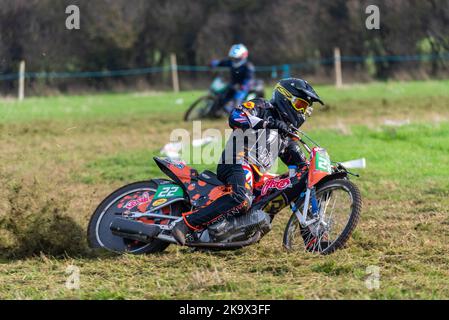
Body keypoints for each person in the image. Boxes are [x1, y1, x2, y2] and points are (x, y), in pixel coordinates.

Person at [172, 78, 324, 245]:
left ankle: (312, 239)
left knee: (297, 180)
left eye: (306, 109)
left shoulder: (285, 135)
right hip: (235, 160)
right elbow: (235, 116)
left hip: (257, 175)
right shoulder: (263, 107)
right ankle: (185, 224)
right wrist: (267, 123)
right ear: (285, 97)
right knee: (242, 198)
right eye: (300, 105)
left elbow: (301, 166)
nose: (303, 112)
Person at [210, 44, 255, 113]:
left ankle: (236, 118)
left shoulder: (248, 66)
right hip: (232, 85)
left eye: (237, 58)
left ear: (243, 56)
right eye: (234, 58)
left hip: (242, 88)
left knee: (237, 102)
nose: (235, 60)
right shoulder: (231, 62)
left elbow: (249, 79)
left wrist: (243, 86)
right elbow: (221, 63)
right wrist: (214, 63)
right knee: (222, 98)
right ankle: (216, 112)